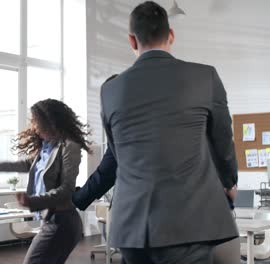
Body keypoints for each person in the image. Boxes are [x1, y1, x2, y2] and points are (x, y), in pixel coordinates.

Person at [99, 1, 239, 263]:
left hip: (130, 227)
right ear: (171, 35)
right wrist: (229, 181)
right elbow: (222, 141)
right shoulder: (204, 77)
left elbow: (118, 153)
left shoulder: (110, 90)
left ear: (132, 40)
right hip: (186, 223)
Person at [73, 76, 240, 264]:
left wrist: (77, 199)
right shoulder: (187, 121)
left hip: (145, 227)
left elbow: (105, 174)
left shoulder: (128, 133)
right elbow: (220, 153)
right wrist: (228, 188)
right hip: (200, 222)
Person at [0, 99, 90, 264]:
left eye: (35, 120)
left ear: (49, 121)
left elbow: (67, 189)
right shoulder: (46, 146)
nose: (33, 125)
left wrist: (32, 201)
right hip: (51, 220)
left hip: (63, 221)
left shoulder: (69, 147)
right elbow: (27, 164)